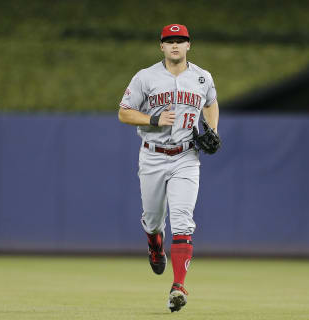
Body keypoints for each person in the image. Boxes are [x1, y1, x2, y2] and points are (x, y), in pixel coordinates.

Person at [118, 23, 219, 312]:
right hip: (152, 155)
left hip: (186, 156)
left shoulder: (202, 77)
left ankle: (179, 286)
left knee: (183, 221)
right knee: (152, 220)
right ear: (161, 46)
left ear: (189, 45)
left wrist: (212, 127)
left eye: (181, 40)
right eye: (169, 41)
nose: (175, 45)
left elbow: (211, 103)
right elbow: (123, 112)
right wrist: (153, 120)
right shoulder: (145, 77)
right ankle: (153, 242)